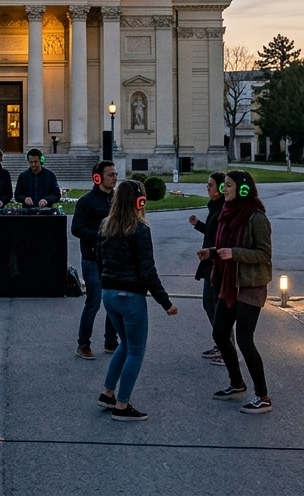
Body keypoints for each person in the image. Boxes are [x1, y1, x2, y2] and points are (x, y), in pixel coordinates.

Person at [96, 179, 178, 421]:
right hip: (131, 296)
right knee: (136, 351)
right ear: (139, 201)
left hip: (109, 293)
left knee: (124, 343)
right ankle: (122, 405)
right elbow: (147, 271)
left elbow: (100, 261)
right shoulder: (140, 229)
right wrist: (166, 302)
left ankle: (107, 392)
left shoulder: (105, 226)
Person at [201, 170, 273, 414]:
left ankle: (262, 396)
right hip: (229, 284)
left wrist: (234, 253)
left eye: (228, 186)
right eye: (224, 186)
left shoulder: (256, 217)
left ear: (243, 189)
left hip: (250, 286)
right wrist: (212, 252)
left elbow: (264, 254)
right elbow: (225, 245)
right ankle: (237, 382)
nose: (224, 190)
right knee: (220, 332)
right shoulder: (226, 213)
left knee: (244, 339)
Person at [71, 160, 119, 359]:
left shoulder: (117, 200)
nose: (115, 178)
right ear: (98, 177)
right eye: (111, 175)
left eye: (116, 174)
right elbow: (76, 228)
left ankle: (111, 341)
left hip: (114, 258)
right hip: (92, 258)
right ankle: (83, 344)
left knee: (113, 302)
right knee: (94, 302)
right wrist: (101, 235)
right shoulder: (87, 201)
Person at [189, 172, 227, 363]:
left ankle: (227, 348)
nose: (207, 187)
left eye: (211, 184)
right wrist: (198, 225)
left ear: (220, 188)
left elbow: (223, 239)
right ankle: (221, 343)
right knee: (209, 304)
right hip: (209, 259)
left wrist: (211, 252)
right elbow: (212, 233)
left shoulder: (223, 209)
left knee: (217, 306)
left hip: (216, 262)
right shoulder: (215, 208)